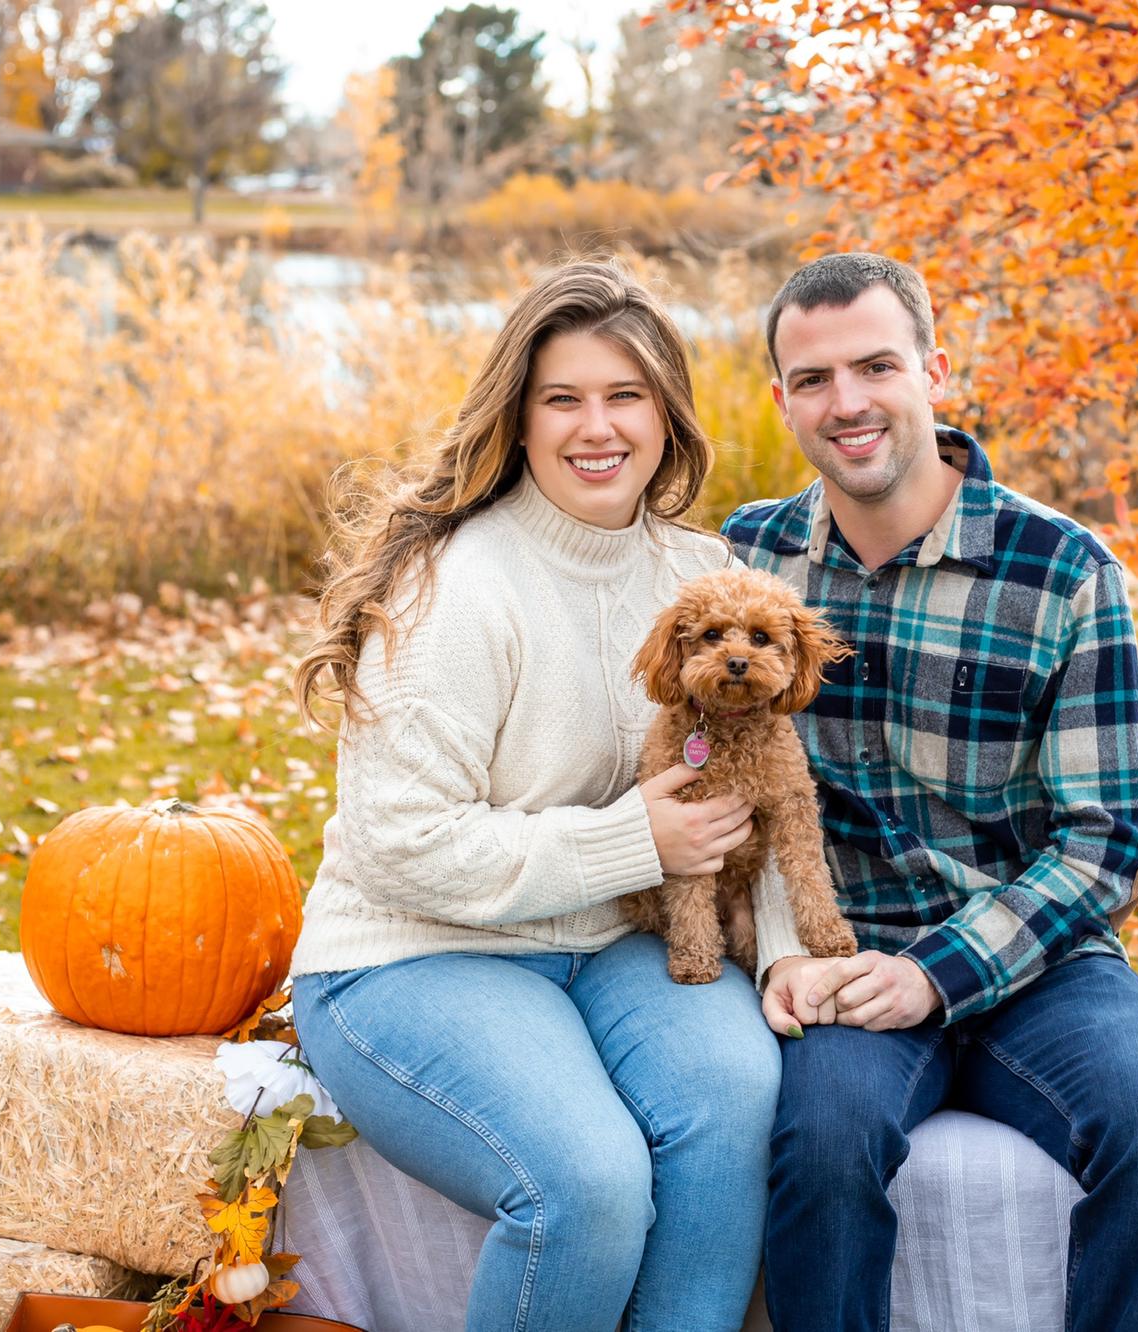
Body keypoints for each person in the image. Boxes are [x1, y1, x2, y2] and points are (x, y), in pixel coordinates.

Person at [288, 260, 794, 1332]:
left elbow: (759, 787)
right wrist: (631, 841)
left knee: (730, 1095)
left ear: (666, 414)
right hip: (416, 952)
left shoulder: (697, 570)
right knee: (588, 1184)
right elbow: (399, 845)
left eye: (624, 395)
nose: (594, 427)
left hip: (612, 942)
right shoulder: (456, 584)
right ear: (518, 421)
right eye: (561, 399)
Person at [724, 252, 1138, 1332]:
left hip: (1036, 956)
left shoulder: (1058, 569)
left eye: (875, 366)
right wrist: (782, 953)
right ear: (780, 399)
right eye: (811, 379)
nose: (845, 403)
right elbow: (703, 778)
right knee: (816, 1153)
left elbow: (1105, 840)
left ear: (933, 371)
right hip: (842, 956)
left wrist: (934, 975)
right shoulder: (744, 561)